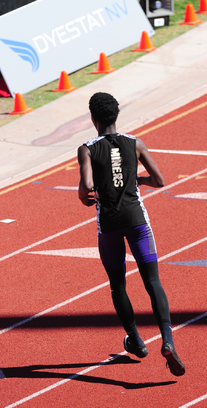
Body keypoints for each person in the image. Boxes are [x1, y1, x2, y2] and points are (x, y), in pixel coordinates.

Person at [77, 92, 185, 376]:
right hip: (137, 221)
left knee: (118, 285)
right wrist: (137, 179)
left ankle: (136, 340)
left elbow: (87, 185)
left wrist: (85, 193)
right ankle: (168, 341)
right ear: (116, 115)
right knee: (153, 280)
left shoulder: (87, 149)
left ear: (94, 119)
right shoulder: (135, 142)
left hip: (109, 225)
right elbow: (160, 181)